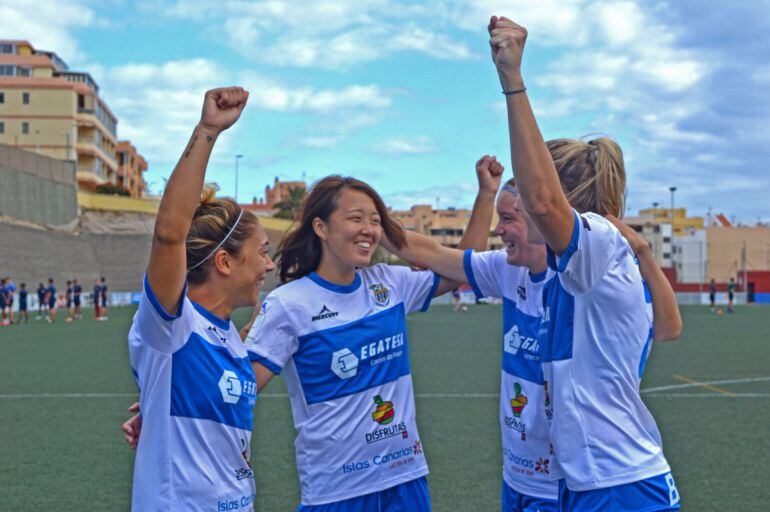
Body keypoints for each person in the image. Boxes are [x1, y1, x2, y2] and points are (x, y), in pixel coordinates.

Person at [384, 173, 681, 512]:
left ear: (541, 219)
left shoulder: (587, 281)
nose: (499, 229)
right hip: (517, 476)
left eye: (509, 218)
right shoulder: (508, 268)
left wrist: (643, 253)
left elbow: (667, 328)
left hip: (563, 480)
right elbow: (437, 254)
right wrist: (376, 227)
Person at [489, 15, 680, 510]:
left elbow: (547, 204)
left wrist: (512, 80)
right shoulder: (582, 268)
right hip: (591, 482)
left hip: (620, 486)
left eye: (526, 201)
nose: (522, 208)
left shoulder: (598, 247)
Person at [242, 160, 500, 511]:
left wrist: (486, 194)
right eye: (355, 218)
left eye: (376, 220)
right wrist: (165, 408)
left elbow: (461, 266)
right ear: (320, 226)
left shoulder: (389, 283)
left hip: (404, 480)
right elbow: (239, 388)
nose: (368, 229)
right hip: (336, 492)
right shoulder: (289, 304)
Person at [127, 86, 277, 511]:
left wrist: (153, 412)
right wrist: (208, 130)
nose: (269, 267)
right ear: (225, 262)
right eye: (263, 252)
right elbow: (169, 234)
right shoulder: (173, 326)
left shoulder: (229, 337)